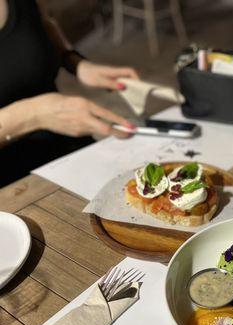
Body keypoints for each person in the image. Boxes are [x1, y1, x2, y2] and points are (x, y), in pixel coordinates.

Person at [0, 0, 139, 186]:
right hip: (13, 186)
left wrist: (74, 61)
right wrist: (34, 114)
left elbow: (43, 23)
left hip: (66, 149)